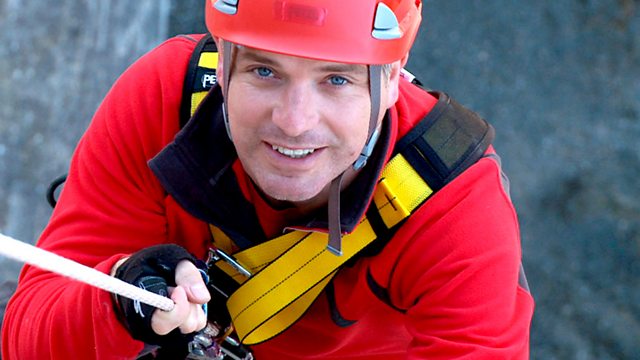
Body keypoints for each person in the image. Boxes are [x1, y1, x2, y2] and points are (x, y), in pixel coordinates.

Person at [1, 1, 534, 359]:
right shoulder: (164, 99)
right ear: (224, 57)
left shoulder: (453, 204)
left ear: (391, 80)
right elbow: (24, 338)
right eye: (264, 71)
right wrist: (117, 295)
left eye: (337, 79)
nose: (294, 120)